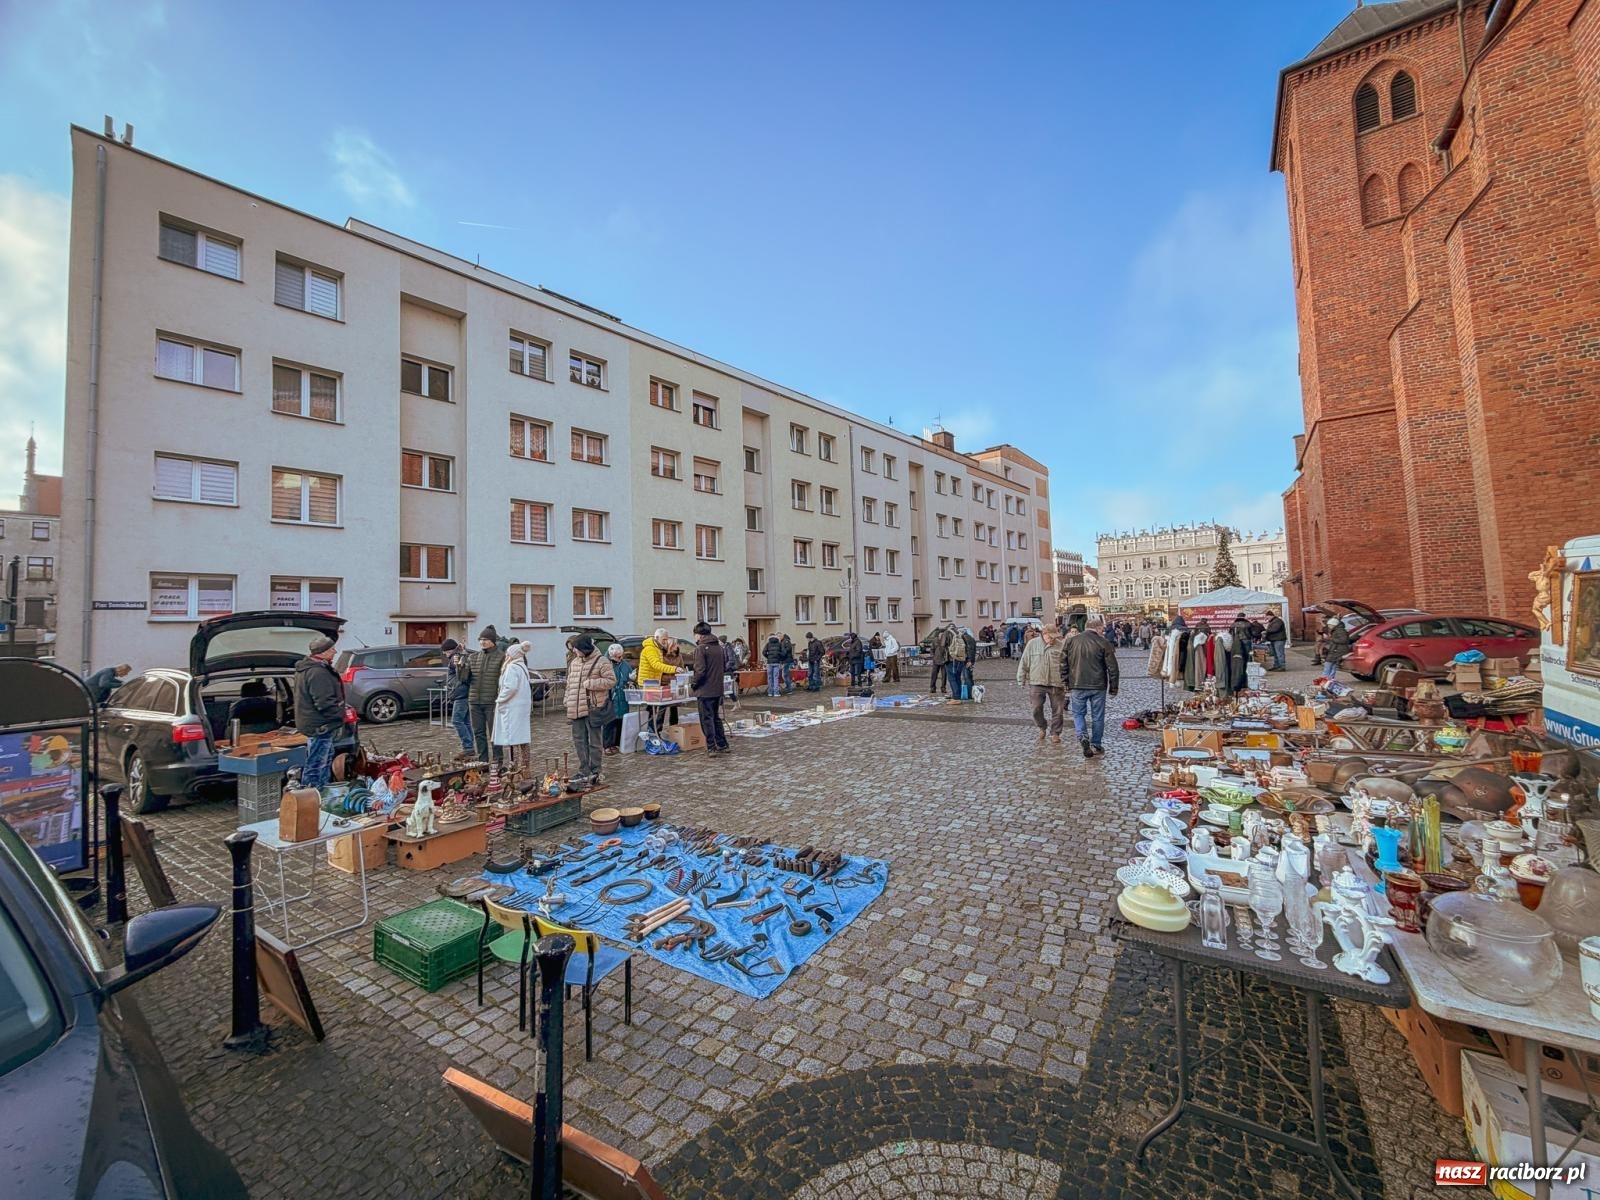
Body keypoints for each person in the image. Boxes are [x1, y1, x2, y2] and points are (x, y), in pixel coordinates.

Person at [1061, 609, 1119, 759]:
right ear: (1098, 628)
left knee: (1078, 714)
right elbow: (1113, 667)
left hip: (1077, 683)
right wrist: (1113, 687)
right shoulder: (1103, 642)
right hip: (1098, 685)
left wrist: (1065, 681)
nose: (1103, 631)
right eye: (1102, 629)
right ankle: (1096, 744)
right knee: (1098, 716)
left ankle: (1083, 736)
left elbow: (1063, 663)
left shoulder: (1071, 641)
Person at [293, 636, 345, 789]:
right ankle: (311, 798)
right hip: (320, 725)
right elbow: (324, 702)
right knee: (316, 765)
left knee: (322, 761)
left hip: (315, 723)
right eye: (331, 649)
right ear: (321, 653)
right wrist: (339, 715)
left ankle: (321, 794)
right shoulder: (317, 672)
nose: (335, 651)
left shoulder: (308, 669)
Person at [565, 635, 612, 784]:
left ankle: (596, 770)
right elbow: (569, 684)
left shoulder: (601, 662)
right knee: (579, 741)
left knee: (594, 741)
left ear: (584, 649)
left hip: (592, 708)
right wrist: (567, 700)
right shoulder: (574, 662)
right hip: (575, 707)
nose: (575, 651)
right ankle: (583, 770)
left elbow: (611, 681)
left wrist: (591, 683)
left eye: (577, 649)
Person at [458, 626, 506, 762]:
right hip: (474, 700)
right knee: (478, 732)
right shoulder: (473, 657)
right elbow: (463, 679)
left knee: (494, 733)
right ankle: (483, 760)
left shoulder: (501, 657)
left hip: (491, 700)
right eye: (480, 639)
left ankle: (497, 759)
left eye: (485, 639)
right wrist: (460, 667)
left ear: (492, 641)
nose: (482, 642)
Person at [1017, 625, 1066, 744]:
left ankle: (1055, 733)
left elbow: (1067, 665)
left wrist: (1067, 681)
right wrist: (1021, 678)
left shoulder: (1061, 646)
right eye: (1051, 637)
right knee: (1036, 708)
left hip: (1056, 682)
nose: (1053, 639)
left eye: (1055, 637)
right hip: (1036, 681)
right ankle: (1041, 726)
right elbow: (1024, 661)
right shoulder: (1032, 644)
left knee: (1058, 710)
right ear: (1044, 634)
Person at [690, 621, 732, 756]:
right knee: (716, 718)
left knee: (706, 719)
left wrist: (693, 684)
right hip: (717, 688)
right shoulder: (719, 647)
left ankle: (711, 747)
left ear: (699, 635)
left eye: (695, 635)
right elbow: (724, 666)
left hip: (705, 690)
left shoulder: (701, 649)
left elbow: (700, 671)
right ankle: (722, 744)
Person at [491, 641, 534, 771]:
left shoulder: (512, 667)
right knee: (522, 737)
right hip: (521, 706)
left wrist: (500, 699)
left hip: (512, 706)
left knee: (512, 738)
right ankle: (525, 767)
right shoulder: (522, 666)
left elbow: (510, 687)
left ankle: (514, 768)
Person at [440, 638, 474, 755]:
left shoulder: (456, 658)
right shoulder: (460, 655)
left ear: (448, 650)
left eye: (444, 651)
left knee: (457, 721)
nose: (444, 654)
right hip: (463, 693)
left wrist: (454, 687)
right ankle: (469, 747)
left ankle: (468, 747)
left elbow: (462, 675)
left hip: (460, 693)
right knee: (465, 721)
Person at [639, 629, 673, 732]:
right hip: (647, 683)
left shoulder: (657, 649)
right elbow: (656, 665)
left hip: (653, 682)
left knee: (653, 708)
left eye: (667, 639)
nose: (665, 641)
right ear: (657, 638)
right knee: (652, 708)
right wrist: (674, 669)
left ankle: (653, 730)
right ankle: (651, 731)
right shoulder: (650, 649)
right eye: (664, 639)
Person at [603, 643, 633, 755]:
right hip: (610, 697)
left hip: (623, 696)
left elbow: (630, 676)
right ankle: (607, 745)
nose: (621, 659)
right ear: (611, 656)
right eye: (618, 657)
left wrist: (632, 679)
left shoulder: (625, 664)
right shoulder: (606, 664)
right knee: (609, 722)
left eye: (621, 656)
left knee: (621, 721)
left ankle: (618, 743)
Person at [1321, 616, 1352, 681]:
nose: (1328, 626)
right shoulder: (1337, 630)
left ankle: (1324, 680)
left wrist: (1330, 638)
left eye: (1329, 625)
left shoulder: (1340, 631)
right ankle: (1329, 680)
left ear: (1333, 624)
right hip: (1337, 649)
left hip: (1338, 650)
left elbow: (1344, 640)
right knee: (1333, 666)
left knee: (1328, 664)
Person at [762, 633, 786, 698]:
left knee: (769, 678)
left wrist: (768, 657)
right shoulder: (779, 644)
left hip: (769, 663)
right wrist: (779, 656)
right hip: (777, 662)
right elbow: (784, 653)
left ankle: (770, 692)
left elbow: (763, 652)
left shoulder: (768, 644)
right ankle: (776, 693)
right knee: (776, 678)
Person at [929, 624, 951, 694]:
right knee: (934, 675)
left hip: (944, 660)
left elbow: (949, 649)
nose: (941, 636)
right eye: (940, 635)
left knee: (944, 675)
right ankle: (932, 687)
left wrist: (947, 657)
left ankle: (943, 688)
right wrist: (933, 656)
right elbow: (932, 649)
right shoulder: (935, 640)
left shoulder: (947, 641)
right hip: (936, 660)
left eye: (943, 635)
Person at [959, 626, 978, 698]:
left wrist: (969, 660)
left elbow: (970, 650)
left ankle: (969, 694)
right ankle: (971, 692)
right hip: (969, 660)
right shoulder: (970, 638)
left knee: (967, 677)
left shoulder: (966, 638)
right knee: (969, 676)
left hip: (967, 660)